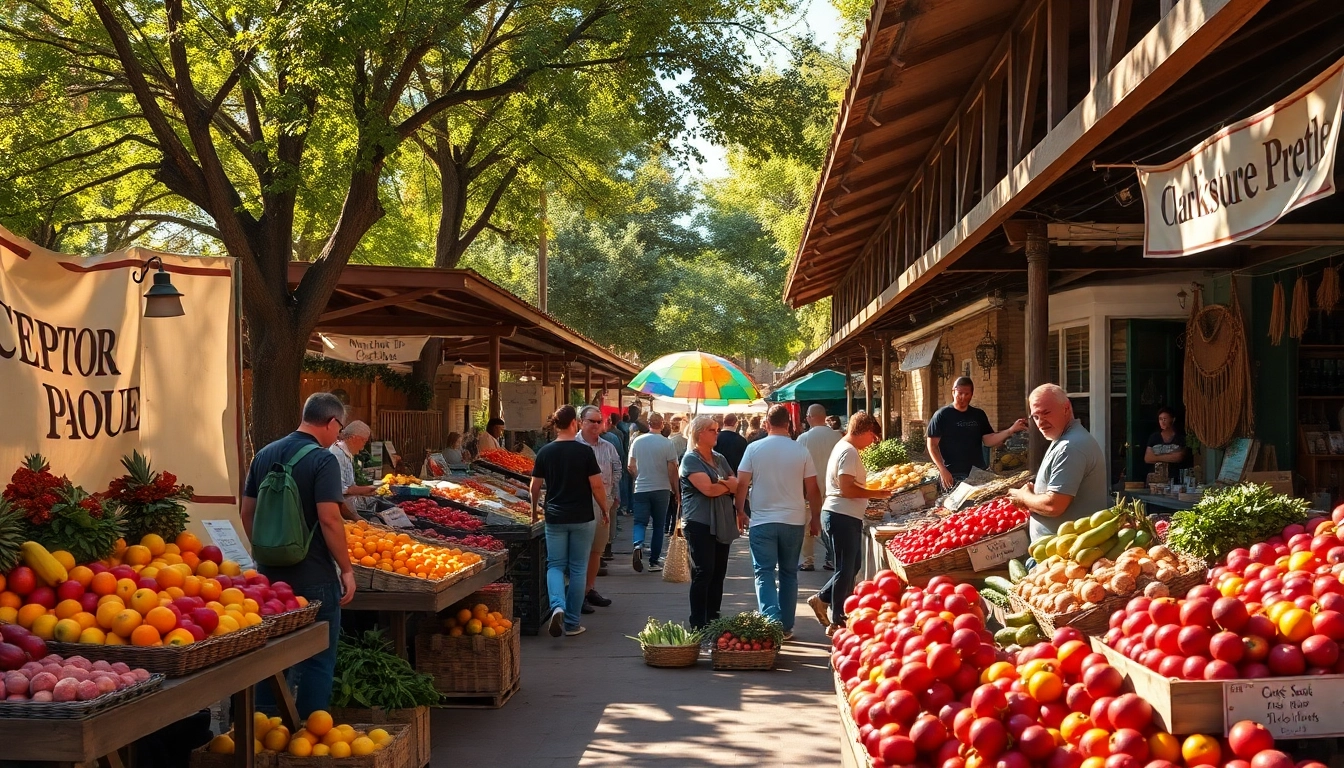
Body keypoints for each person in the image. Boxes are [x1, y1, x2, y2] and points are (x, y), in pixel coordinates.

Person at [239, 392, 354, 717]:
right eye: (339, 428)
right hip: (314, 575)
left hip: (269, 578)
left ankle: (263, 731)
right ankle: (309, 737)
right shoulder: (323, 459)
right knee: (318, 658)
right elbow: (330, 518)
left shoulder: (263, 454)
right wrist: (345, 569)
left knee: (270, 655)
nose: (338, 435)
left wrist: (267, 550)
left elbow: (247, 512)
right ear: (331, 423)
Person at [735, 405, 822, 639]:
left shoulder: (753, 448)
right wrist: (815, 517)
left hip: (762, 520)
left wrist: (740, 511)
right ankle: (785, 626)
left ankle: (770, 622)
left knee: (763, 572)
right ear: (789, 425)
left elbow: (742, 483)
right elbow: (813, 489)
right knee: (788, 573)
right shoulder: (801, 451)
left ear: (766, 423)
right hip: (793, 520)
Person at [529, 406, 610, 637]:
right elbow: (596, 485)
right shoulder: (584, 453)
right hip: (582, 517)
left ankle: (557, 606)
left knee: (554, 565)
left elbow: (534, 487)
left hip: (555, 517)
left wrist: (534, 511)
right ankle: (573, 623)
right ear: (574, 423)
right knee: (577, 569)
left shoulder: (545, 452)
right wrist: (604, 510)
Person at [807, 411, 886, 635]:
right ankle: (836, 618)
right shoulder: (849, 451)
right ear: (865, 432)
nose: (872, 443)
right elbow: (847, 487)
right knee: (845, 567)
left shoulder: (844, 447)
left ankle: (822, 599)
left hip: (843, 515)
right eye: (872, 437)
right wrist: (876, 493)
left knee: (852, 566)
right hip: (841, 515)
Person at [1008, 384, 1109, 541]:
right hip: (1059, 554)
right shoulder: (1064, 439)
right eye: (1035, 416)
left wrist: (1024, 496)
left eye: (1046, 413)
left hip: (1065, 558)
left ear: (1066, 408)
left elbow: (1054, 506)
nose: (1040, 422)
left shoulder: (1071, 446)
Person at [680, 415, 740, 628]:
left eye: (716, 429)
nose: (717, 433)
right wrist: (725, 485)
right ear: (699, 433)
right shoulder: (690, 459)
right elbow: (708, 489)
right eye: (712, 430)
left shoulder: (720, 458)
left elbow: (736, 483)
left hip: (722, 521)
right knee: (704, 571)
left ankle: (713, 617)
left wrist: (722, 484)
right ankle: (698, 621)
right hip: (699, 522)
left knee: (718, 572)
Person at [928, 377, 1029, 489]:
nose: (963, 397)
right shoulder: (942, 415)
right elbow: (932, 445)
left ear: (972, 394)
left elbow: (988, 440)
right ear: (953, 392)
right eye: (960, 393)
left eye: (967, 394)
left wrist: (1011, 430)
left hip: (978, 472)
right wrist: (942, 469)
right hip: (952, 473)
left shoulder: (978, 415)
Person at [577, 405, 621, 613]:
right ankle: (576, 594)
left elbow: (617, 470)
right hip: (579, 504)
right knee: (580, 552)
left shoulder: (608, 446)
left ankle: (589, 589)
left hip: (604, 503)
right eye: (591, 421)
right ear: (581, 422)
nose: (595, 425)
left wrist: (612, 495)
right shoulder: (573, 445)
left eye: (598, 421)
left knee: (596, 550)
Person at [628, 412, 679, 572]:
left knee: (639, 522)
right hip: (661, 488)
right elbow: (673, 469)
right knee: (659, 525)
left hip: (641, 488)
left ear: (648, 424)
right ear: (662, 424)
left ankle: (638, 544)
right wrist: (676, 490)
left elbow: (630, 465)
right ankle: (654, 561)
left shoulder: (637, 441)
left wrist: (638, 476)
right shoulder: (667, 444)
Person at [796, 404, 842, 572]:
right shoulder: (838, 437)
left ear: (811, 417)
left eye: (807, 416)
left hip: (811, 488)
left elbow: (797, 465)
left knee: (808, 524)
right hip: (834, 489)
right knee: (831, 525)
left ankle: (808, 560)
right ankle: (831, 558)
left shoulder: (804, 438)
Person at [328, 420, 375, 521]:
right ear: (354, 438)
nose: (363, 447)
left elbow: (349, 486)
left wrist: (368, 489)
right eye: (364, 441)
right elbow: (340, 491)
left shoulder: (345, 453)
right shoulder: (337, 454)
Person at [1144, 407, 1190, 472]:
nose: (1162, 422)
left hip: (1175, 475)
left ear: (1173, 419)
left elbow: (1179, 457)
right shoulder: (1154, 437)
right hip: (1156, 476)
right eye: (1160, 419)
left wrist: (1156, 457)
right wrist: (1170, 457)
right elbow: (1148, 458)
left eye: (1165, 419)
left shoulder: (1180, 437)